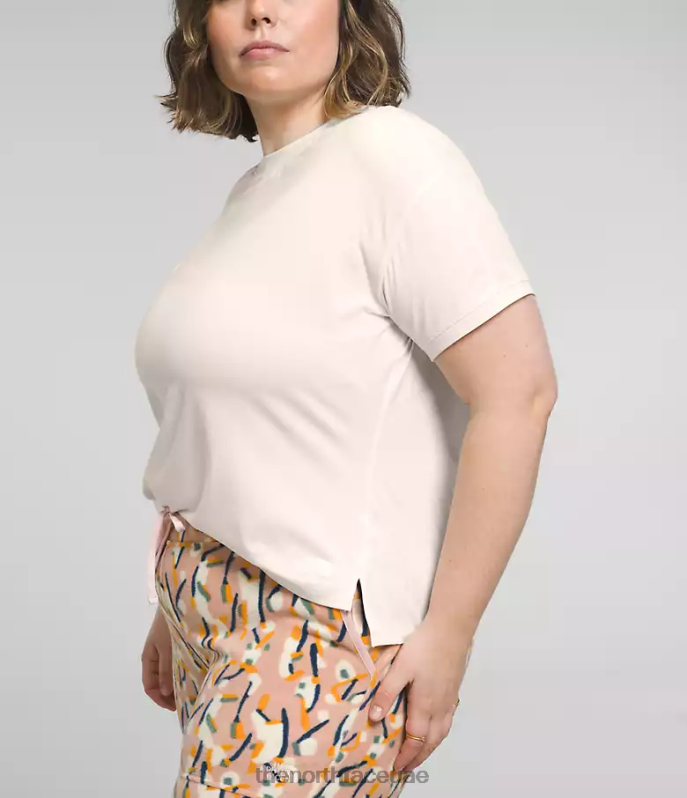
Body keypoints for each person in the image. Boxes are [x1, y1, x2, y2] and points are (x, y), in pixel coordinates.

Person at [135, 1, 558, 796]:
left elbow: (519, 392)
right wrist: (177, 605)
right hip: (215, 612)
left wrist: (449, 634)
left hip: (312, 630)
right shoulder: (259, 191)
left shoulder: (391, 158)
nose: (259, 11)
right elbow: (245, 430)